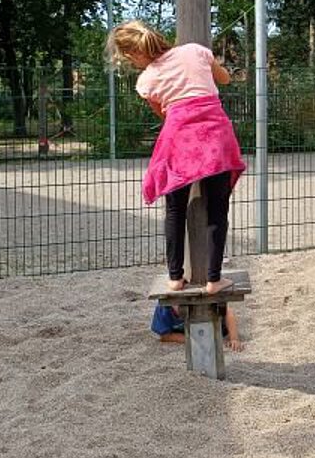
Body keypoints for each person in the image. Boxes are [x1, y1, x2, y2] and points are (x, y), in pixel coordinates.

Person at [106, 20, 247, 293]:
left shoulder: (146, 79)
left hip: (180, 141)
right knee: (218, 210)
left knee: (174, 210)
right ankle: (214, 279)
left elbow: (164, 113)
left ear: (134, 53)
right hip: (215, 136)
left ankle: (174, 277)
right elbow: (225, 78)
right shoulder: (195, 50)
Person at [151, 302, 243, 352]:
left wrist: (234, 338)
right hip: (193, 336)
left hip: (217, 331)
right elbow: (165, 336)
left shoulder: (200, 301)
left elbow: (227, 312)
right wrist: (194, 340)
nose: (181, 308)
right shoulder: (164, 307)